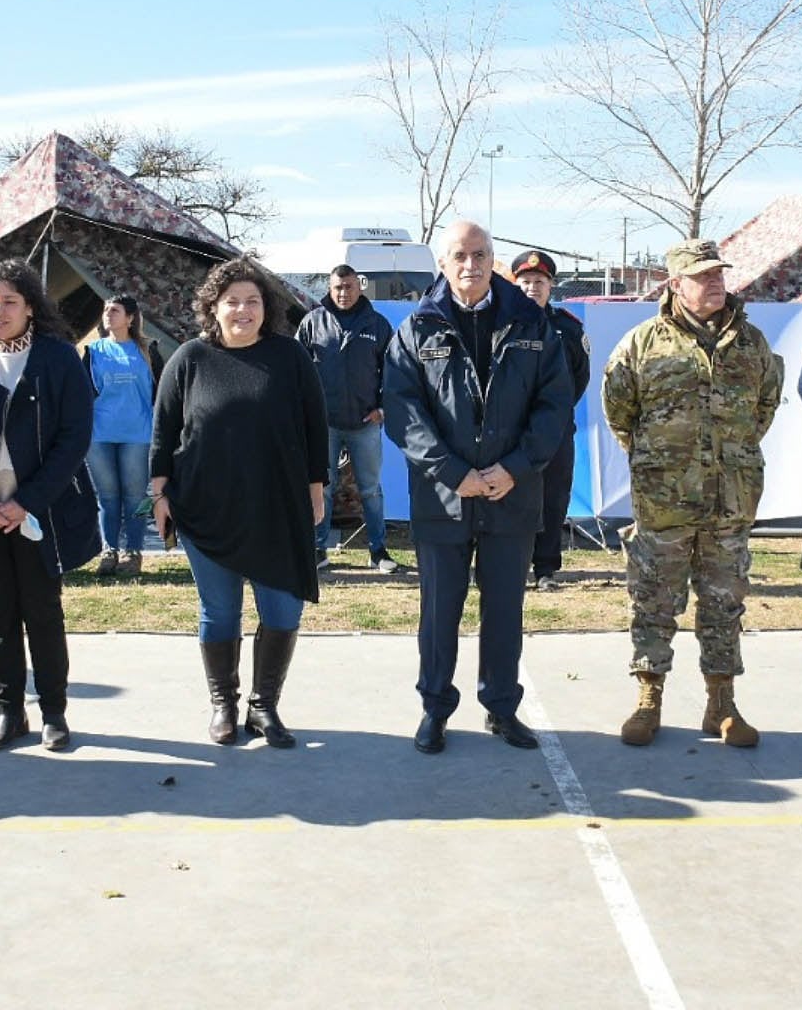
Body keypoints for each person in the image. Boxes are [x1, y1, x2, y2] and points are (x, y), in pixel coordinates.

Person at [383, 220, 571, 756]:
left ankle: (502, 707)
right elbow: (402, 410)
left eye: (481, 254)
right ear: (442, 264)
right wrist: (451, 471)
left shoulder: (533, 324)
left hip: (511, 495)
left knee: (506, 609)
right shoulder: (418, 328)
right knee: (440, 613)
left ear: (496, 261)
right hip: (444, 499)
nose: (471, 265)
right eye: (460, 255)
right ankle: (435, 709)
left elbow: (554, 405)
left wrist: (514, 467)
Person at [602, 238, 780, 747]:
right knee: (655, 599)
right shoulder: (643, 344)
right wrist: (666, 460)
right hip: (665, 503)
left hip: (731, 501)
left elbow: (763, 408)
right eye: (702, 275)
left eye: (718, 273)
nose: (715, 282)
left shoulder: (751, 344)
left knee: (725, 602)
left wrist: (727, 457)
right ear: (675, 283)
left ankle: (721, 703)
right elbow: (621, 413)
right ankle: (648, 698)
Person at [150, 257, 326, 748]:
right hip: (206, 509)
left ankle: (263, 706)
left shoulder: (290, 357)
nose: (243, 310)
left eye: (252, 302)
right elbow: (163, 432)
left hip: (278, 509)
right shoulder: (188, 358)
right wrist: (160, 493)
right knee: (220, 612)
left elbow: (315, 427)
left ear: (265, 308)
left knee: (283, 611)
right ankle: (224, 704)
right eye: (232, 302)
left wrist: (317, 488)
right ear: (213, 307)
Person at [0, 261, 99, 751]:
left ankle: (53, 712)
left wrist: (27, 502)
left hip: (40, 514)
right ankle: (9, 711)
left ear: (30, 306)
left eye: (9, 300)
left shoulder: (58, 359)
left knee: (43, 613)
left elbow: (74, 437)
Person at [296, 263, 400, 574]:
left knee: (370, 489)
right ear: (330, 288)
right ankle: (317, 549)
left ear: (359, 287)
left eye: (349, 287)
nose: (344, 293)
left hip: (364, 423)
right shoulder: (312, 323)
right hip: (323, 424)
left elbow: (394, 371)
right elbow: (296, 371)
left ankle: (378, 551)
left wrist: (383, 408)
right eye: (338, 287)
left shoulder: (377, 324)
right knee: (321, 489)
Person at [510, 251, 590, 588]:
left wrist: (552, 416)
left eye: (539, 282)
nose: (532, 288)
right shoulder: (503, 324)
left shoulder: (568, 328)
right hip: (512, 432)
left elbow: (579, 377)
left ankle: (545, 568)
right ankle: (511, 565)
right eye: (525, 282)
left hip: (556, 432)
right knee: (511, 499)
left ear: (551, 286)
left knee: (553, 498)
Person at [85, 294, 161, 577]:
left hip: (137, 435)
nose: (108, 314)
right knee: (107, 496)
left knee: (137, 497)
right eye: (105, 310)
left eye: (114, 310)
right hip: (100, 434)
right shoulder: (93, 351)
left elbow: (162, 394)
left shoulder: (148, 350)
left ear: (130, 318)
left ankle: (134, 550)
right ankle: (109, 551)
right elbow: (83, 393)